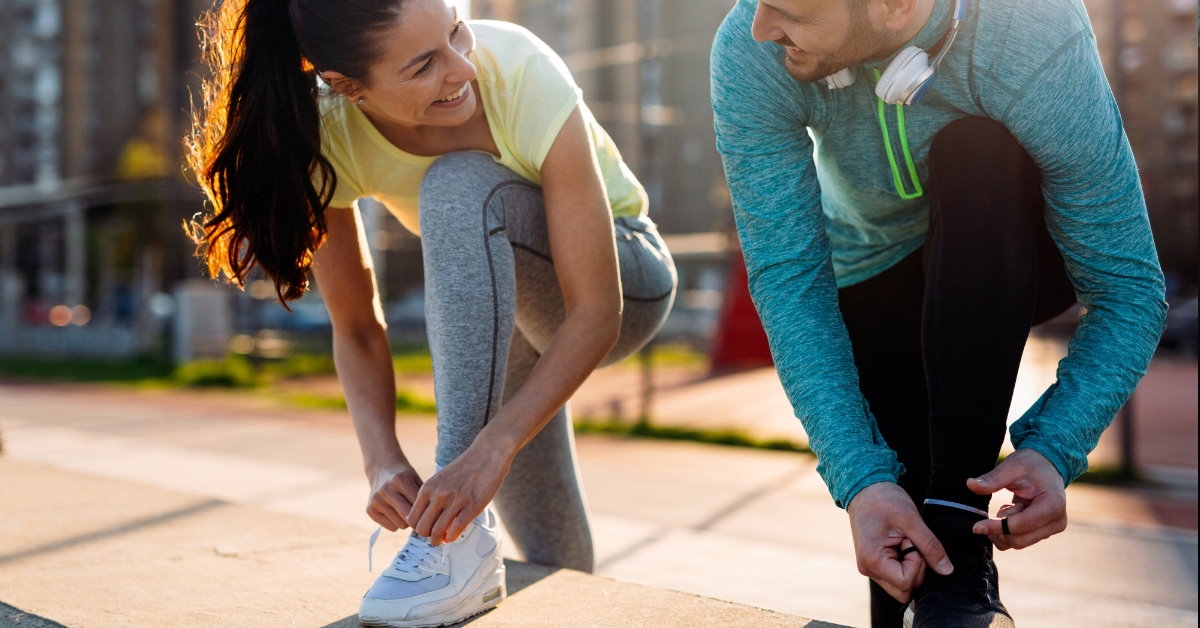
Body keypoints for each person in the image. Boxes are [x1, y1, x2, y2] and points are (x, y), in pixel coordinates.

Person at [185, 0, 677, 626]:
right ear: (348, 87)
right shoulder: (328, 132)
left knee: (456, 184)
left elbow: (596, 314)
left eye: (455, 31)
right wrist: (381, 457)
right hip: (510, 312)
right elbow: (357, 325)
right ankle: (511, 576)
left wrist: (488, 449)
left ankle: (448, 543)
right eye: (423, 66)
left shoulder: (519, 69)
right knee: (552, 552)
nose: (462, 70)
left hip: (625, 282)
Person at [709, 0, 1167, 626]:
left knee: (976, 148)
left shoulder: (1033, 30)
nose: (760, 26)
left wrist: (1056, 446)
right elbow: (790, 283)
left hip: (1014, 251)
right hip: (871, 275)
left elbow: (1129, 289)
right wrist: (861, 479)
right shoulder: (749, 48)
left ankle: (959, 530)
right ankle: (947, 584)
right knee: (898, 540)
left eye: (786, 10)